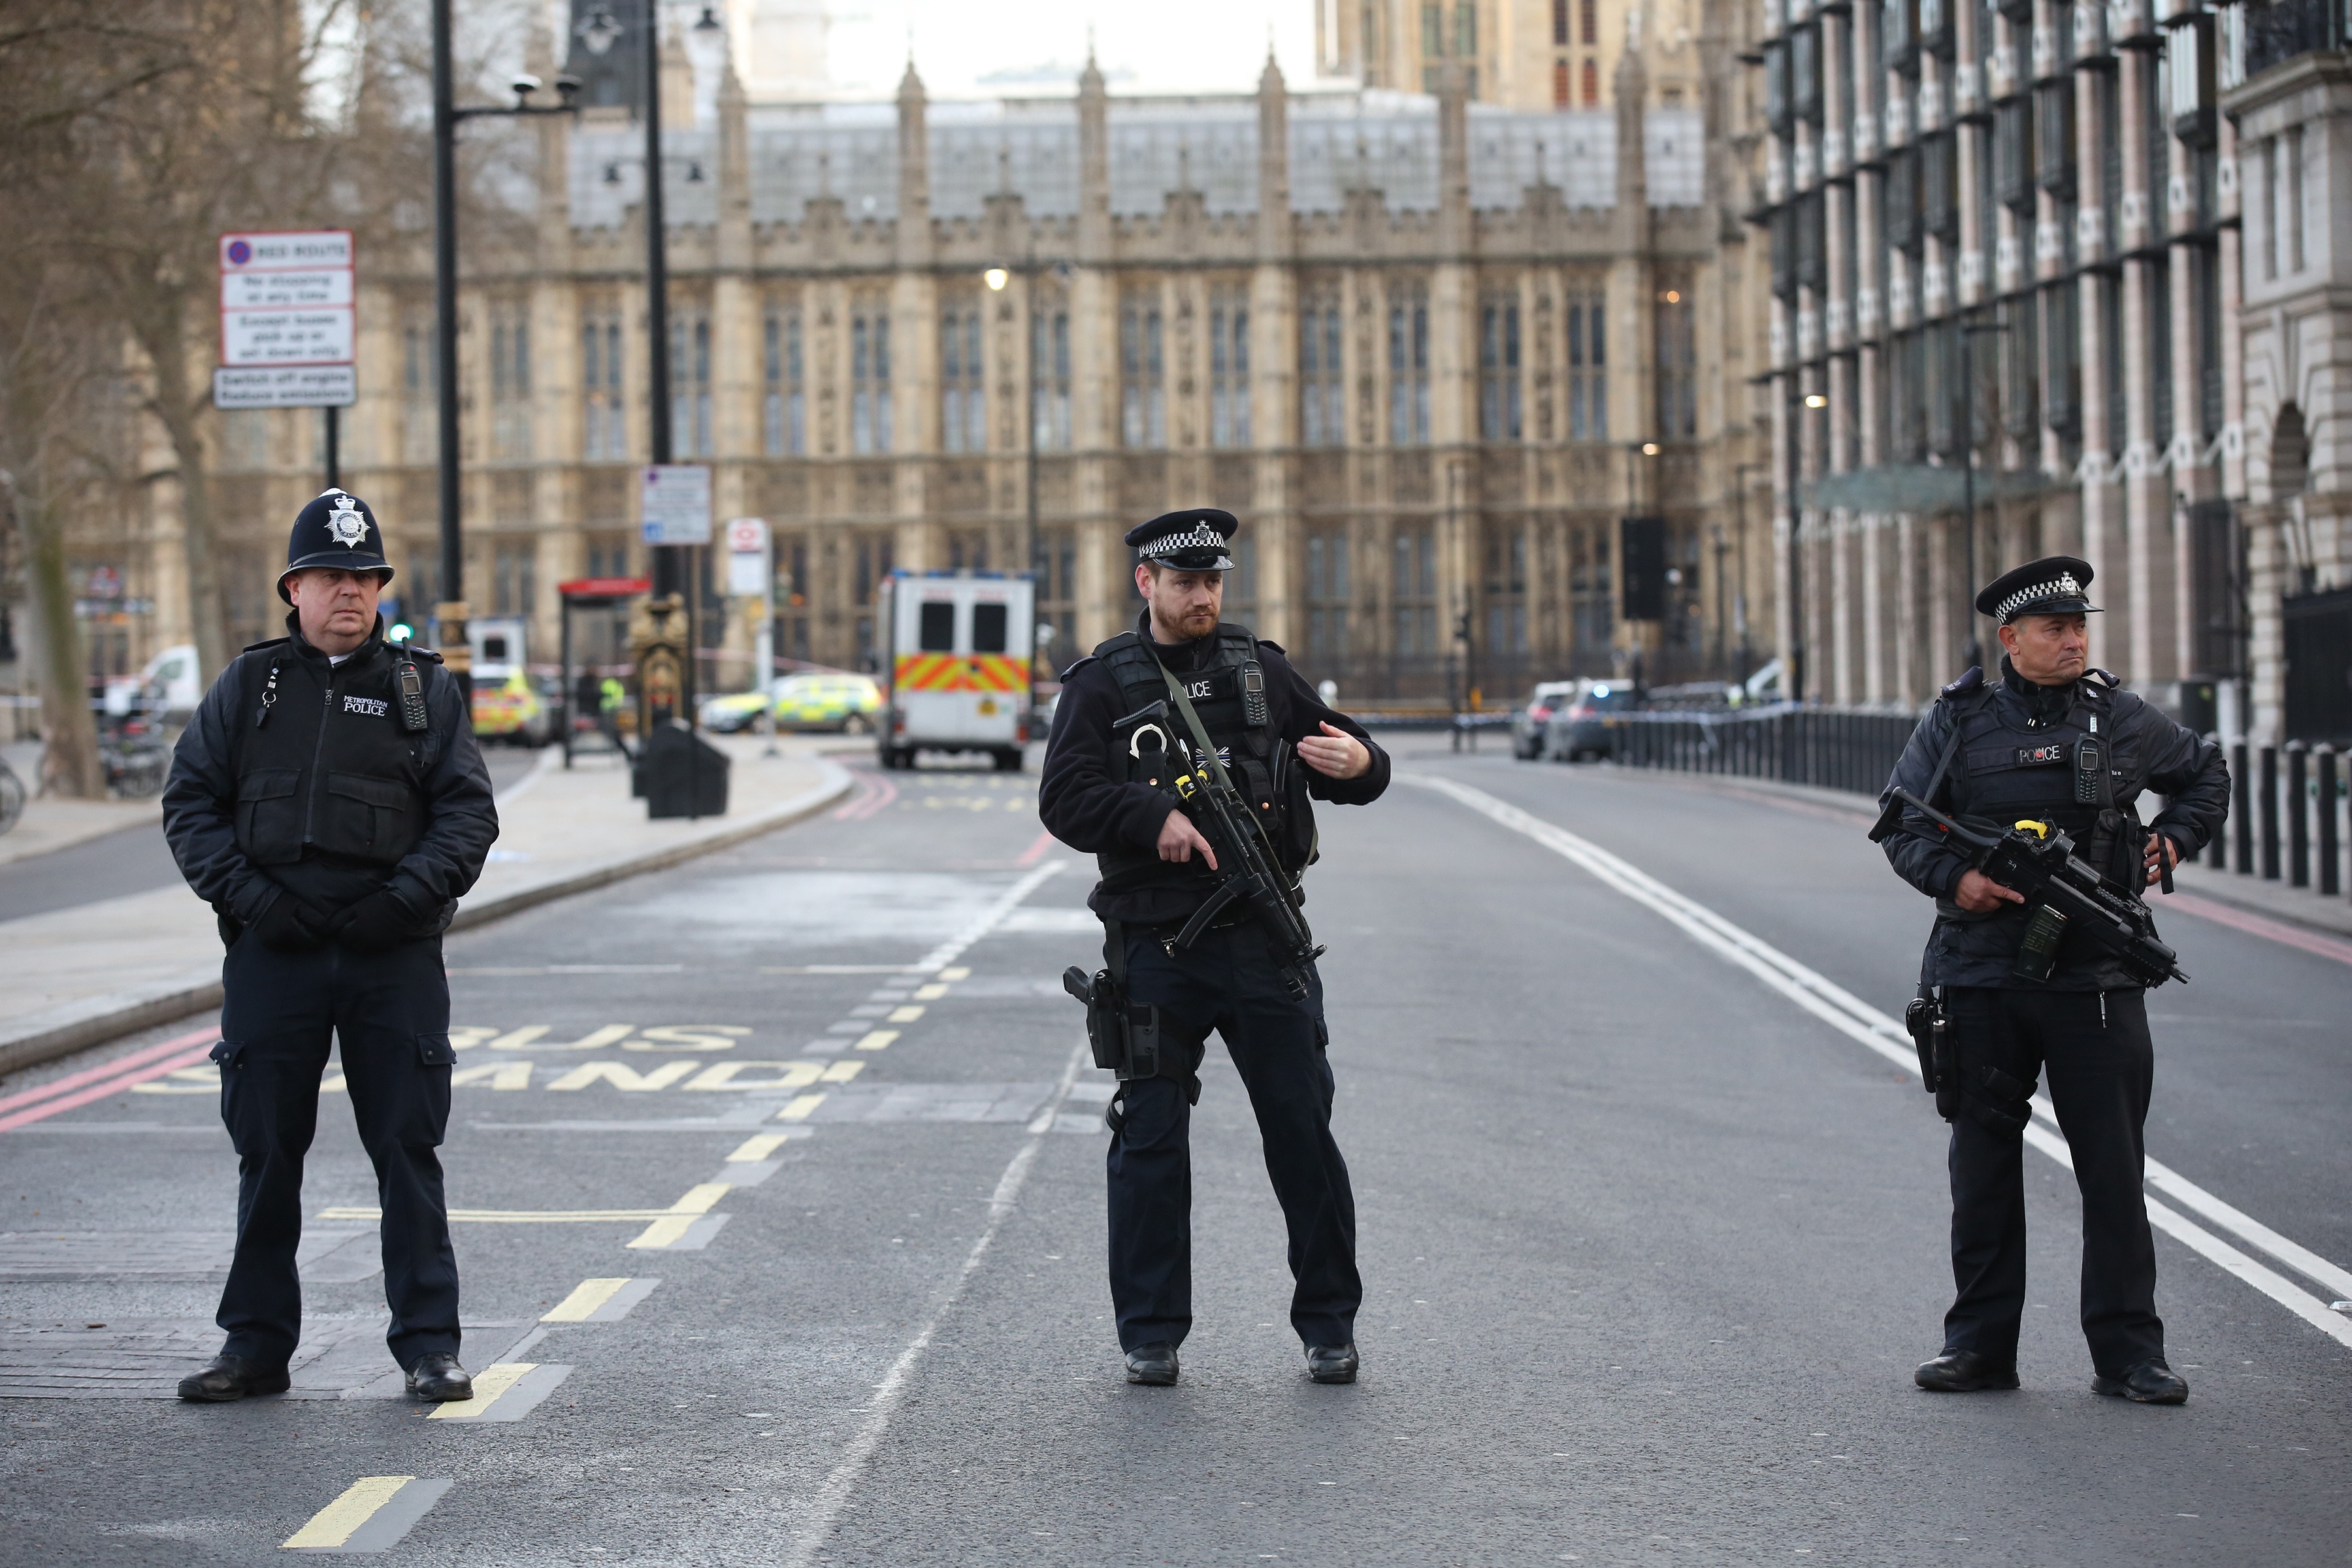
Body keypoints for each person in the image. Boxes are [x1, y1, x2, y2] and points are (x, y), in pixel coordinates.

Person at [1039, 508, 1391, 1388]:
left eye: (1213, 581)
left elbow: (1346, 753)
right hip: (1159, 948)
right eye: (1186, 581)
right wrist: (1148, 813)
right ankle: (1151, 1333)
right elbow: (1065, 798)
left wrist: (1364, 765)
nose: (1203, 596)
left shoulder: (1261, 673)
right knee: (1150, 1139)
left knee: (1303, 1134)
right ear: (1146, 585)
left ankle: (1329, 1325)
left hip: (1264, 946)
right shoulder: (1103, 687)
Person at [160, 489, 498, 1404]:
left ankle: (430, 1346)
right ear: (294, 588)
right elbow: (191, 804)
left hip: (392, 955)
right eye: (331, 576)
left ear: (380, 588)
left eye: (365, 576)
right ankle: (255, 1346)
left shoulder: (422, 689)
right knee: (267, 1151)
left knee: (406, 1150)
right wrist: (255, 902)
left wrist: (402, 903)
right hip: (276, 954)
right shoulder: (249, 688)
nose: (350, 591)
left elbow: (469, 815)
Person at [1876, 555, 2228, 1405]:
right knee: (1985, 1172)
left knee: (2112, 1172)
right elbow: (1899, 823)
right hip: (1982, 977)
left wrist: (2173, 839)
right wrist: (1956, 881)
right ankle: (1980, 1349)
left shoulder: (2122, 720)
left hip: (2096, 982)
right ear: (2011, 640)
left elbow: (2205, 775)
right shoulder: (1958, 723)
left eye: (2080, 628)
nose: (2073, 641)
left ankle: (2130, 1356)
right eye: (2054, 629)